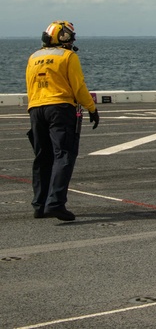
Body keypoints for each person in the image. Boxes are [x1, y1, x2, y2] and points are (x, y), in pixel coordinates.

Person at [25, 21, 100, 222]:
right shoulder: (68, 56)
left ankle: (39, 205)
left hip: (36, 109)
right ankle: (56, 203)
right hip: (60, 109)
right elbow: (78, 86)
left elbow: (30, 86)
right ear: (63, 36)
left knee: (43, 157)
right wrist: (91, 108)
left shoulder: (33, 57)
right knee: (64, 154)